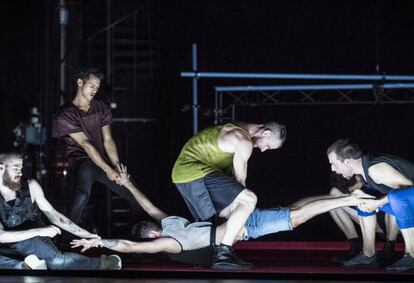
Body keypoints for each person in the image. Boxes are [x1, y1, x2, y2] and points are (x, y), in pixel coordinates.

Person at [71, 165, 366, 268]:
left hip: (238, 223)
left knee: (294, 213)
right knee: (295, 215)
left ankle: (341, 198)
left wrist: (127, 182)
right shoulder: (168, 244)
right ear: (151, 236)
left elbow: (147, 206)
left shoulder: (168, 225)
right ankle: (343, 199)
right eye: (148, 228)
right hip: (242, 229)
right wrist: (101, 242)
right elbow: (131, 247)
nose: (152, 224)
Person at [171, 122, 287, 269]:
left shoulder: (240, 128)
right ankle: (223, 253)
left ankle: (211, 255)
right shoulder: (244, 140)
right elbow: (240, 181)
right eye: (268, 146)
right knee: (249, 200)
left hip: (188, 174)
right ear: (266, 133)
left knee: (227, 214)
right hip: (193, 171)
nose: (263, 150)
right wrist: (243, 207)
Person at [53, 68, 154, 229]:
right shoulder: (65, 115)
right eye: (92, 85)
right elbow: (86, 144)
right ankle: (67, 235)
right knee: (82, 195)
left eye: (97, 87)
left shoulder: (100, 107)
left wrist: (117, 167)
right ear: (80, 82)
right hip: (82, 162)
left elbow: (108, 140)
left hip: (103, 162)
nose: (95, 90)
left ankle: (137, 233)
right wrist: (108, 170)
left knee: (133, 192)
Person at [0, 152, 121, 270]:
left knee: (58, 262)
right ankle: (24, 266)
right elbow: (2, 236)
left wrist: (85, 234)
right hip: (9, 243)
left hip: (33, 242)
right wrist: (39, 231)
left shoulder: (30, 185)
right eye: (16, 168)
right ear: (1, 168)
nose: (20, 172)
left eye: (21, 168)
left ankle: (103, 263)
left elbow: (53, 215)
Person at [327, 138, 414, 271]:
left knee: (397, 197)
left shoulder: (374, 169)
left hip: (408, 198)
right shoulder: (365, 169)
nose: (333, 169)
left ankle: (411, 255)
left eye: (334, 163)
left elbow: (407, 190)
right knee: (363, 200)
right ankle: (368, 253)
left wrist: (378, 202)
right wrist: (372, 202)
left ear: (348, 162)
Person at [328, 173, 399, 265]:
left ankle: (389, 249)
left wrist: (375, 201)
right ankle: (355, 246)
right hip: (374, 222)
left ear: (358, 177)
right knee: (334, 197)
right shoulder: (350, 177)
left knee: (395, 200)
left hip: (397, 224)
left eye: (354, 188)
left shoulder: (374, 171)